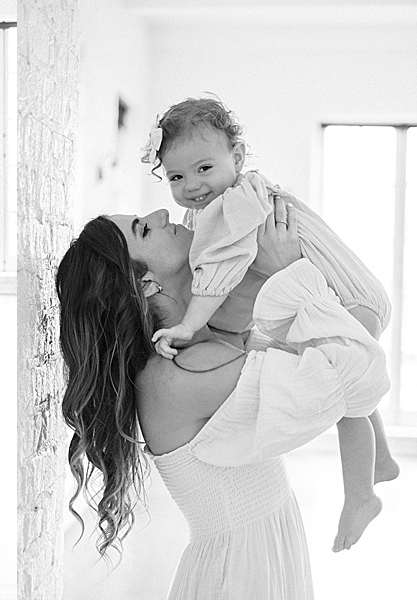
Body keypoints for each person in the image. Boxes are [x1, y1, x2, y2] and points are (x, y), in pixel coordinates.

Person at [56, 202, 390, 598]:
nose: (163, 213)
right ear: (143, 284)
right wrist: (288, 271)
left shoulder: (189, 350)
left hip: (252, 553)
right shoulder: (187, 369)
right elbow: (355, 372)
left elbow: (303, 350)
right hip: (244, 571)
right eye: (144, 229)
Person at [140, 97, 398, 551]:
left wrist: (188, 325)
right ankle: (380, 462)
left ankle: (361, 493)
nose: (193, 186)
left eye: (204, 168)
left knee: (344, 392)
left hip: (345, 298)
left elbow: (219, 277)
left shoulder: (236, 206)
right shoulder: (212, 210)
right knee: (346, 391)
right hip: (338, 294)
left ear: (237, 158)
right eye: (177, 177)